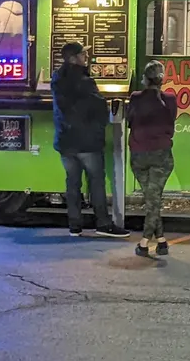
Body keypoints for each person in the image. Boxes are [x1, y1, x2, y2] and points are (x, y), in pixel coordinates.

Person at [52, 42, 130, 238]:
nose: (85, 57)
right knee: (96, 182)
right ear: (73, 58)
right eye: (82, 54)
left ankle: (74, 226)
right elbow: (99, 107)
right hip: (86, 141)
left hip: (65, 141)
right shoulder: (84, 81)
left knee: (72, 183)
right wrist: (99, 126)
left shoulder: (57, 78)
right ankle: (103, 224)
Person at [127, 60, 177, 257]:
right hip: (162, 155)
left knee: (151, 199)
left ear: (145, 80)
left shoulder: (136, 97)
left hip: (139, 155)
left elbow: (130, 121)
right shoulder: (171, 99)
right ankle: (161, 241)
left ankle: (145, 241)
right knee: (153, 199)